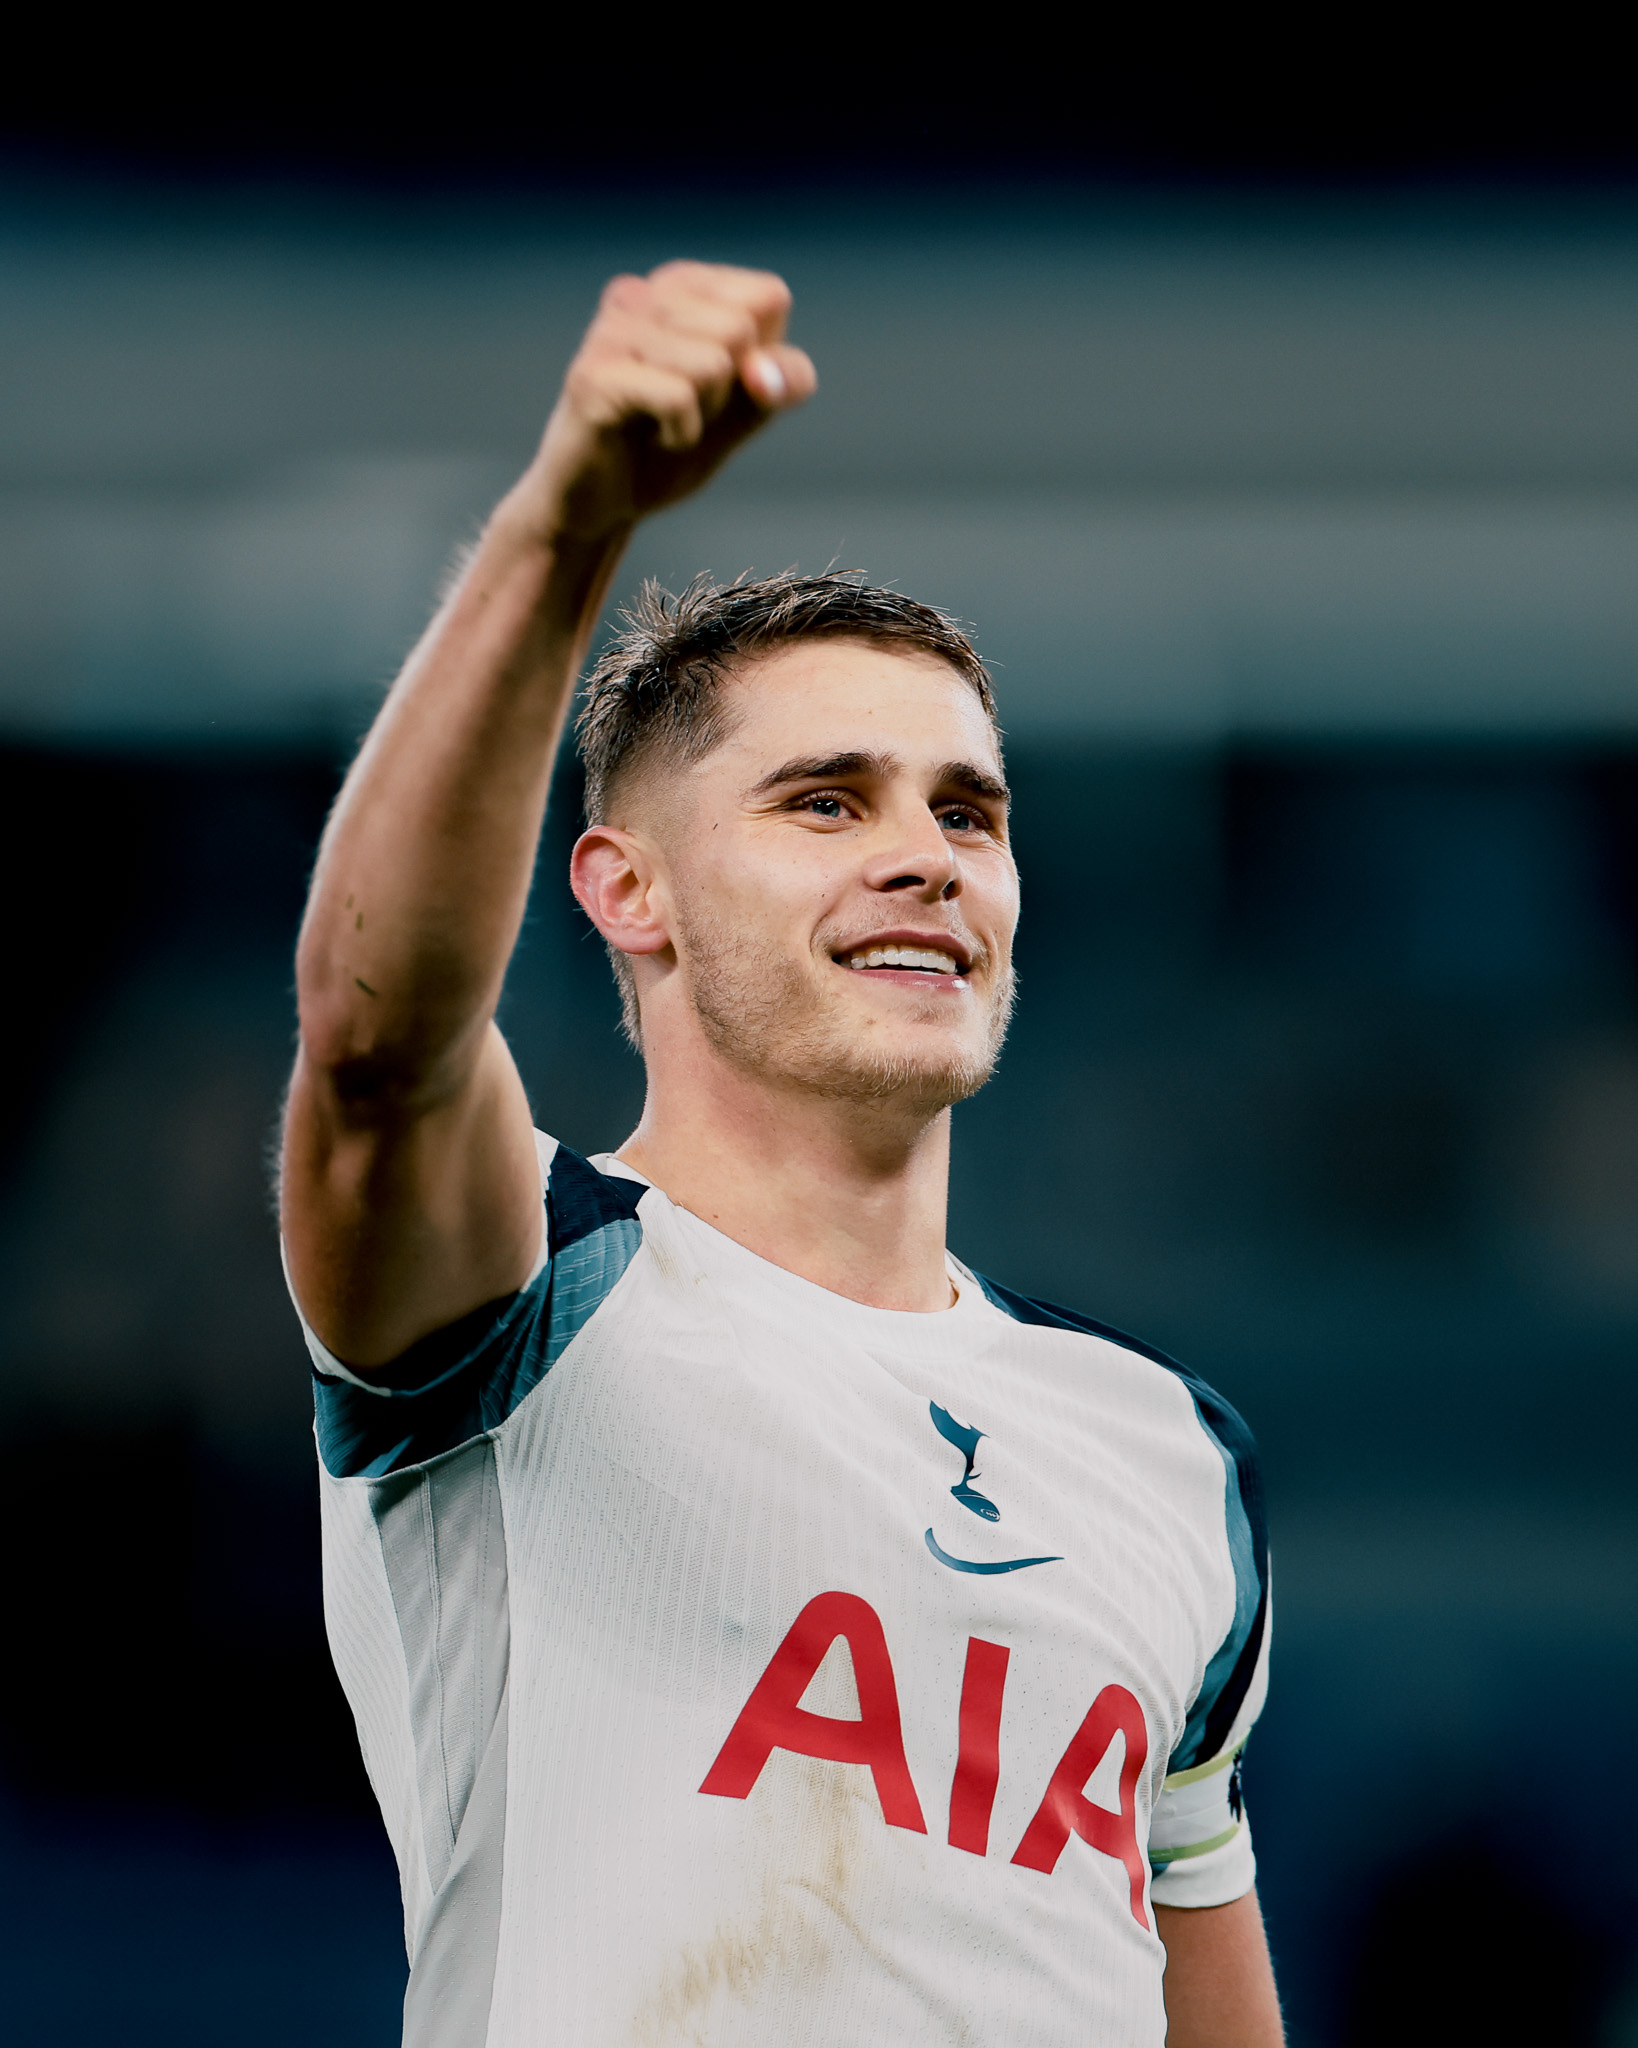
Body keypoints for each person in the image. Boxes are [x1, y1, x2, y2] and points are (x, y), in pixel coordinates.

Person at [280, 261, 1281, 2047]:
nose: (926, 857)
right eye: (826, 800)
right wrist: (566, 525)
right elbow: (374, 1045)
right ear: (628, 890)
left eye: (965, 811)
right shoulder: (535, 1291)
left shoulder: (1168, 1453)